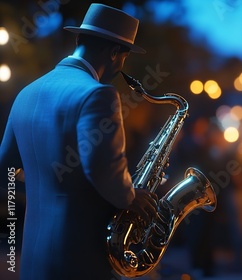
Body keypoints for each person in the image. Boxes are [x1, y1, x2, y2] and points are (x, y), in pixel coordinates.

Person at [0, 4, 158, 280]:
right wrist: (131, 197)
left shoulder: (27, 92)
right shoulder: (98, 95)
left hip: (32, 259)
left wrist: (45, 182)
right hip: (79, 258)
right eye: (124, 57)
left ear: (78, 40)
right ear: (114, 53)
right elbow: (102, 170)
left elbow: (5, 171)